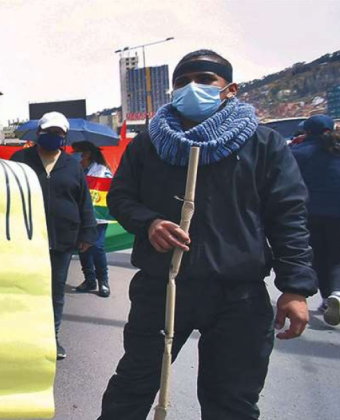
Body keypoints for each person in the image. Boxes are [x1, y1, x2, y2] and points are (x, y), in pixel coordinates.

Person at [98, 50, 317, 419]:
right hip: (162, 287)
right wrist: (149, 222)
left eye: (204, 80)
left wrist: (295, 288)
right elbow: (120, 197)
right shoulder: (149, 143)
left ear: (229, 89)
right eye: (182, 83)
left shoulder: (263, 144)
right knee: (131, 389)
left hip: (239, 295)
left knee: (231, 401)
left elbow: (288, 216)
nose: (191, 89)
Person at [11, 112, 97, 360]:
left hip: (62, 239)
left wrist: (87, 233)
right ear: (39, 133)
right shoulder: (20, 160)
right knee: (26, 289)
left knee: (55, 292)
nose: (53, 136)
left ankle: (51, 338)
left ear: (65, 136)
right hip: (26, 238)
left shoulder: (72, 165)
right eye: (49, 132)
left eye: (59, 133)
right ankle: (24, 337)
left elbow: (84, 202)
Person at [291, 115, 340, 327]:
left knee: (319, 257)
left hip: (309, 213)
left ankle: (328, 296)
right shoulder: (336, 151)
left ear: (306, 131)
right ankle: (337, 292)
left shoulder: (298, 153)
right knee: (338, 256)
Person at [74, 143, 113, 297]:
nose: (75, 156)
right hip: (81, 215)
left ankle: (103, 280)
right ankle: (89, 280)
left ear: (87, 154)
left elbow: (110, 190)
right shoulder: (76, 169)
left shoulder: (103, 172)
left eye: (77, 153)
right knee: (83, 247)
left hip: (98, 216)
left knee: (96, 247)